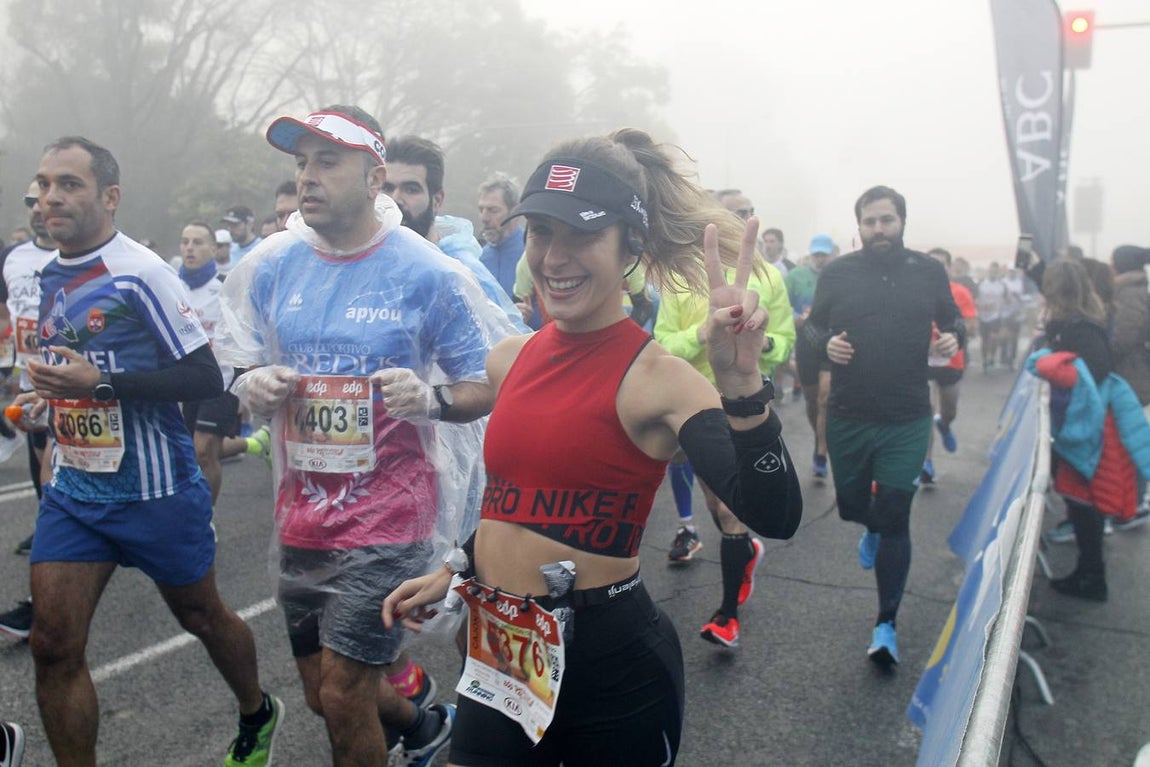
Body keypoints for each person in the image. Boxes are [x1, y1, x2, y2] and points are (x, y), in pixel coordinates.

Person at [384, 128, 802, 767]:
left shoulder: (661, 378)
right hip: (500, 648)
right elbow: (514, 499)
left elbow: (775, 513)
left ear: (630, 246)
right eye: (541, 232)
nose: (554, 257)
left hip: (612, 664)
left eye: (582, 235)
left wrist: (743, 383)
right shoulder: (510, 359)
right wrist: (455, 567)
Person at [216, 105, 515, 766]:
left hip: (388, 523)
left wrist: (431, 399)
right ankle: (425, 722)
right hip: (301, 521)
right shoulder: (272, 266)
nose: (307, 177)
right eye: (301, 163)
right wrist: (250, 382)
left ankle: (419, 724)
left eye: (327, 161)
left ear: (374, 176)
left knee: (345, 693)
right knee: (323, 694)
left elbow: (486, 382)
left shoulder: (426, 272)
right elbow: (233, 358)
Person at [22, 136, 281, 765]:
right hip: (78, 494)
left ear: (109, 197)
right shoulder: (47, 272)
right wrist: (52, 402)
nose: (50, 197)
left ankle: (257, 710)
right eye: (44, 183)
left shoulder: (140, 272)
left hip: (157, 492)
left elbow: (202, 378)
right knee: (53, 645)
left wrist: (101, 385)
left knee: (203, 616)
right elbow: (83, 369)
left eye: (69, 185)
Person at [806, 185, 964, 666]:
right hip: (851, 415)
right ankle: (866, 525)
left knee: (896, 514)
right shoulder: (837, 272)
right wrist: (826, 344)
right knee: (854, 507)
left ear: (902, 222)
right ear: (859, 226)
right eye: (871, 221)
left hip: (908, 415)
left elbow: (954, 321)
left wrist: (953, 339)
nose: (879, 230)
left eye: (887, 220)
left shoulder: (928, 271)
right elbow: (812, 328)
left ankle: (886, 624)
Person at [654, 206, 795, 647]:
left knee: (733, 511)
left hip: (740, 404)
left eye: (743, 214)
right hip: (692, 407)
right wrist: (699, 335)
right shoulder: (682, 279)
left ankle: (727, 615)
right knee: (718, 506)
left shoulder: (769, 278)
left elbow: (784, 342)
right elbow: (662, 341)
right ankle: (745, 550)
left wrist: (762, 339)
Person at [1025, 258, 1150, 601]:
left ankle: (1092, 577)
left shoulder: (1079, 328)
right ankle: (1088, 572)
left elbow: (1093, 373)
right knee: (1082, 502)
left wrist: (1054, 365)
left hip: (1091, 428)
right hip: (1092, 425)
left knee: (1086, 503)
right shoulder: (1085, 321)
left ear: (1055, 290)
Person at [382, 135, 528, 333]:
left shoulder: (463, 274)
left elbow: (508, 344)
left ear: (437, 200)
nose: (396, 199)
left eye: (411, 189)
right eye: (387, 188)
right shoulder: (362, 263)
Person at [0, 181, 59, 641]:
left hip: (70, 395)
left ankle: (45, 608)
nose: (39, 210)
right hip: (29, 397)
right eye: (31, 204)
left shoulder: (80, 256)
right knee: (51, 504)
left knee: (56, 502)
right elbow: (9, 316)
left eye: (45, 201)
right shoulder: (14, 259)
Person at [176, 221, 266, 504]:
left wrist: (245, 384)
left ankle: (206, 519)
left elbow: (246, 336)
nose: (190, 248)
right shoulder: (172, 288)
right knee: (189, 452)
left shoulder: (226, 288)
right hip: (186, 383)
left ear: (214, 249)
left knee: (205, 449)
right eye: (185, 241)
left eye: (198, 242)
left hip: (220, 381)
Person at [921, 247, 979, 485]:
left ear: (949, 267)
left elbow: (972, 326)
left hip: (951, 361)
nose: (937, 268)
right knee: (924, 411)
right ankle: (927, 464)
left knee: (949, 410)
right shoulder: (914, 291)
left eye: (942, 264)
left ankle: (944, 424)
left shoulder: (960, 292)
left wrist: (952, 336)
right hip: (921, 361)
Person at [786, 234, 835, 478]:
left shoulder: (839, 275)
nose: (820, 258)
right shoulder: (796, 276)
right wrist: (796, 315)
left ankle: (821, 451)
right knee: (812, 399)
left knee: (825, 396)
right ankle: (819, 435)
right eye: (817, 254)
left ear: (831, 253)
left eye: (824, 254)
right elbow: (782, 304)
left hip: (831, 341)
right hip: (806, 343)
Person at [477, 172, 524, 301]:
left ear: (515, 211)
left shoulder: (534, 253)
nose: (484, 218)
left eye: (493, 210)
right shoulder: (478, 257)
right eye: (481, 210)